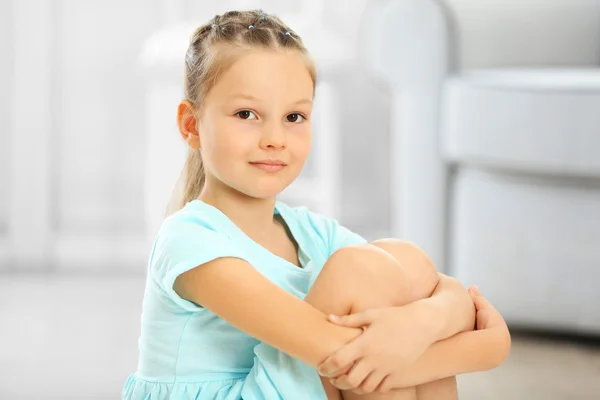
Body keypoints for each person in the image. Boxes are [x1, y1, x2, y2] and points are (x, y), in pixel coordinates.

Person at [122, 10, 511, 400]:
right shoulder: (189, 240)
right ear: (191, 125)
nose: (275, 138)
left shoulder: (309, 233)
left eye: (294, 116)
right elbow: (349, 363)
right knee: (361, 275)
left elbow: (459, 304)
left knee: (404, 258)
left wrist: (421, 322)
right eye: (247, 114)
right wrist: (475, 344)